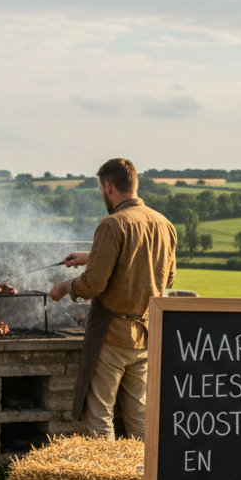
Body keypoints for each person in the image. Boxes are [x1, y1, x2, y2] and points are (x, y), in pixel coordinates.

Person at [50, 157, 177, 440]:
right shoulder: (164, 224)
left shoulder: (112, 224)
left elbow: (94, 284)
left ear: (108, 187)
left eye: (100, 189)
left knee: (99, 413)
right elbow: (166, 278)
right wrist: (90, 257)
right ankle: (142, 478)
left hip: (111, 335)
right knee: (139, 415)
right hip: (145, 334)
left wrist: (66, 287)